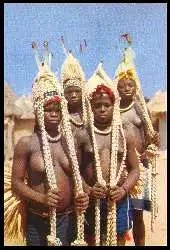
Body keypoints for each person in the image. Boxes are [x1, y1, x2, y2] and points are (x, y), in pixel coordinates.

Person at [8, 41, 89, 246]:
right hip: (37, 219)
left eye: (57, 109)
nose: (53, 114)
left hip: (67, 220)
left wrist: (84, 194)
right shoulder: (27, 144)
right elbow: (16, 183)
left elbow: (77, 178)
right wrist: (41, 198)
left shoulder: (70, 143)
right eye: (47, 109)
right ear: (37, 110)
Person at [74, 63, 140, 246]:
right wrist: (88, 189)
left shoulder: (124, 133)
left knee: (119, 239)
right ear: (91, 108)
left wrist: (123, 189)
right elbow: (74, 169)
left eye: (106, 105)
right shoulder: (83, 134)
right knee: (91, 240)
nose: (102, 109)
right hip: (92, 199)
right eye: (97, 106)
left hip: (119, 197)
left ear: (114, 106)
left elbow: (135, 170)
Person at [114, 45, 160, 246]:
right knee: (122, 215)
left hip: (141, 166)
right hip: (122, 168)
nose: (126, 89)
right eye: (123, 86)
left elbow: (149, 134)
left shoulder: (140, 109)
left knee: (139, 212)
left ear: (136, 87)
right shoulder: (114, 111)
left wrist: (152, 143)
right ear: (117, 87)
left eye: (130, 85)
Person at [61, 51, 87, 134]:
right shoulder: (59, 117)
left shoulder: (89, 116)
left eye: (77, 91)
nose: (73, 95)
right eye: (69, 92)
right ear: (64, 94)